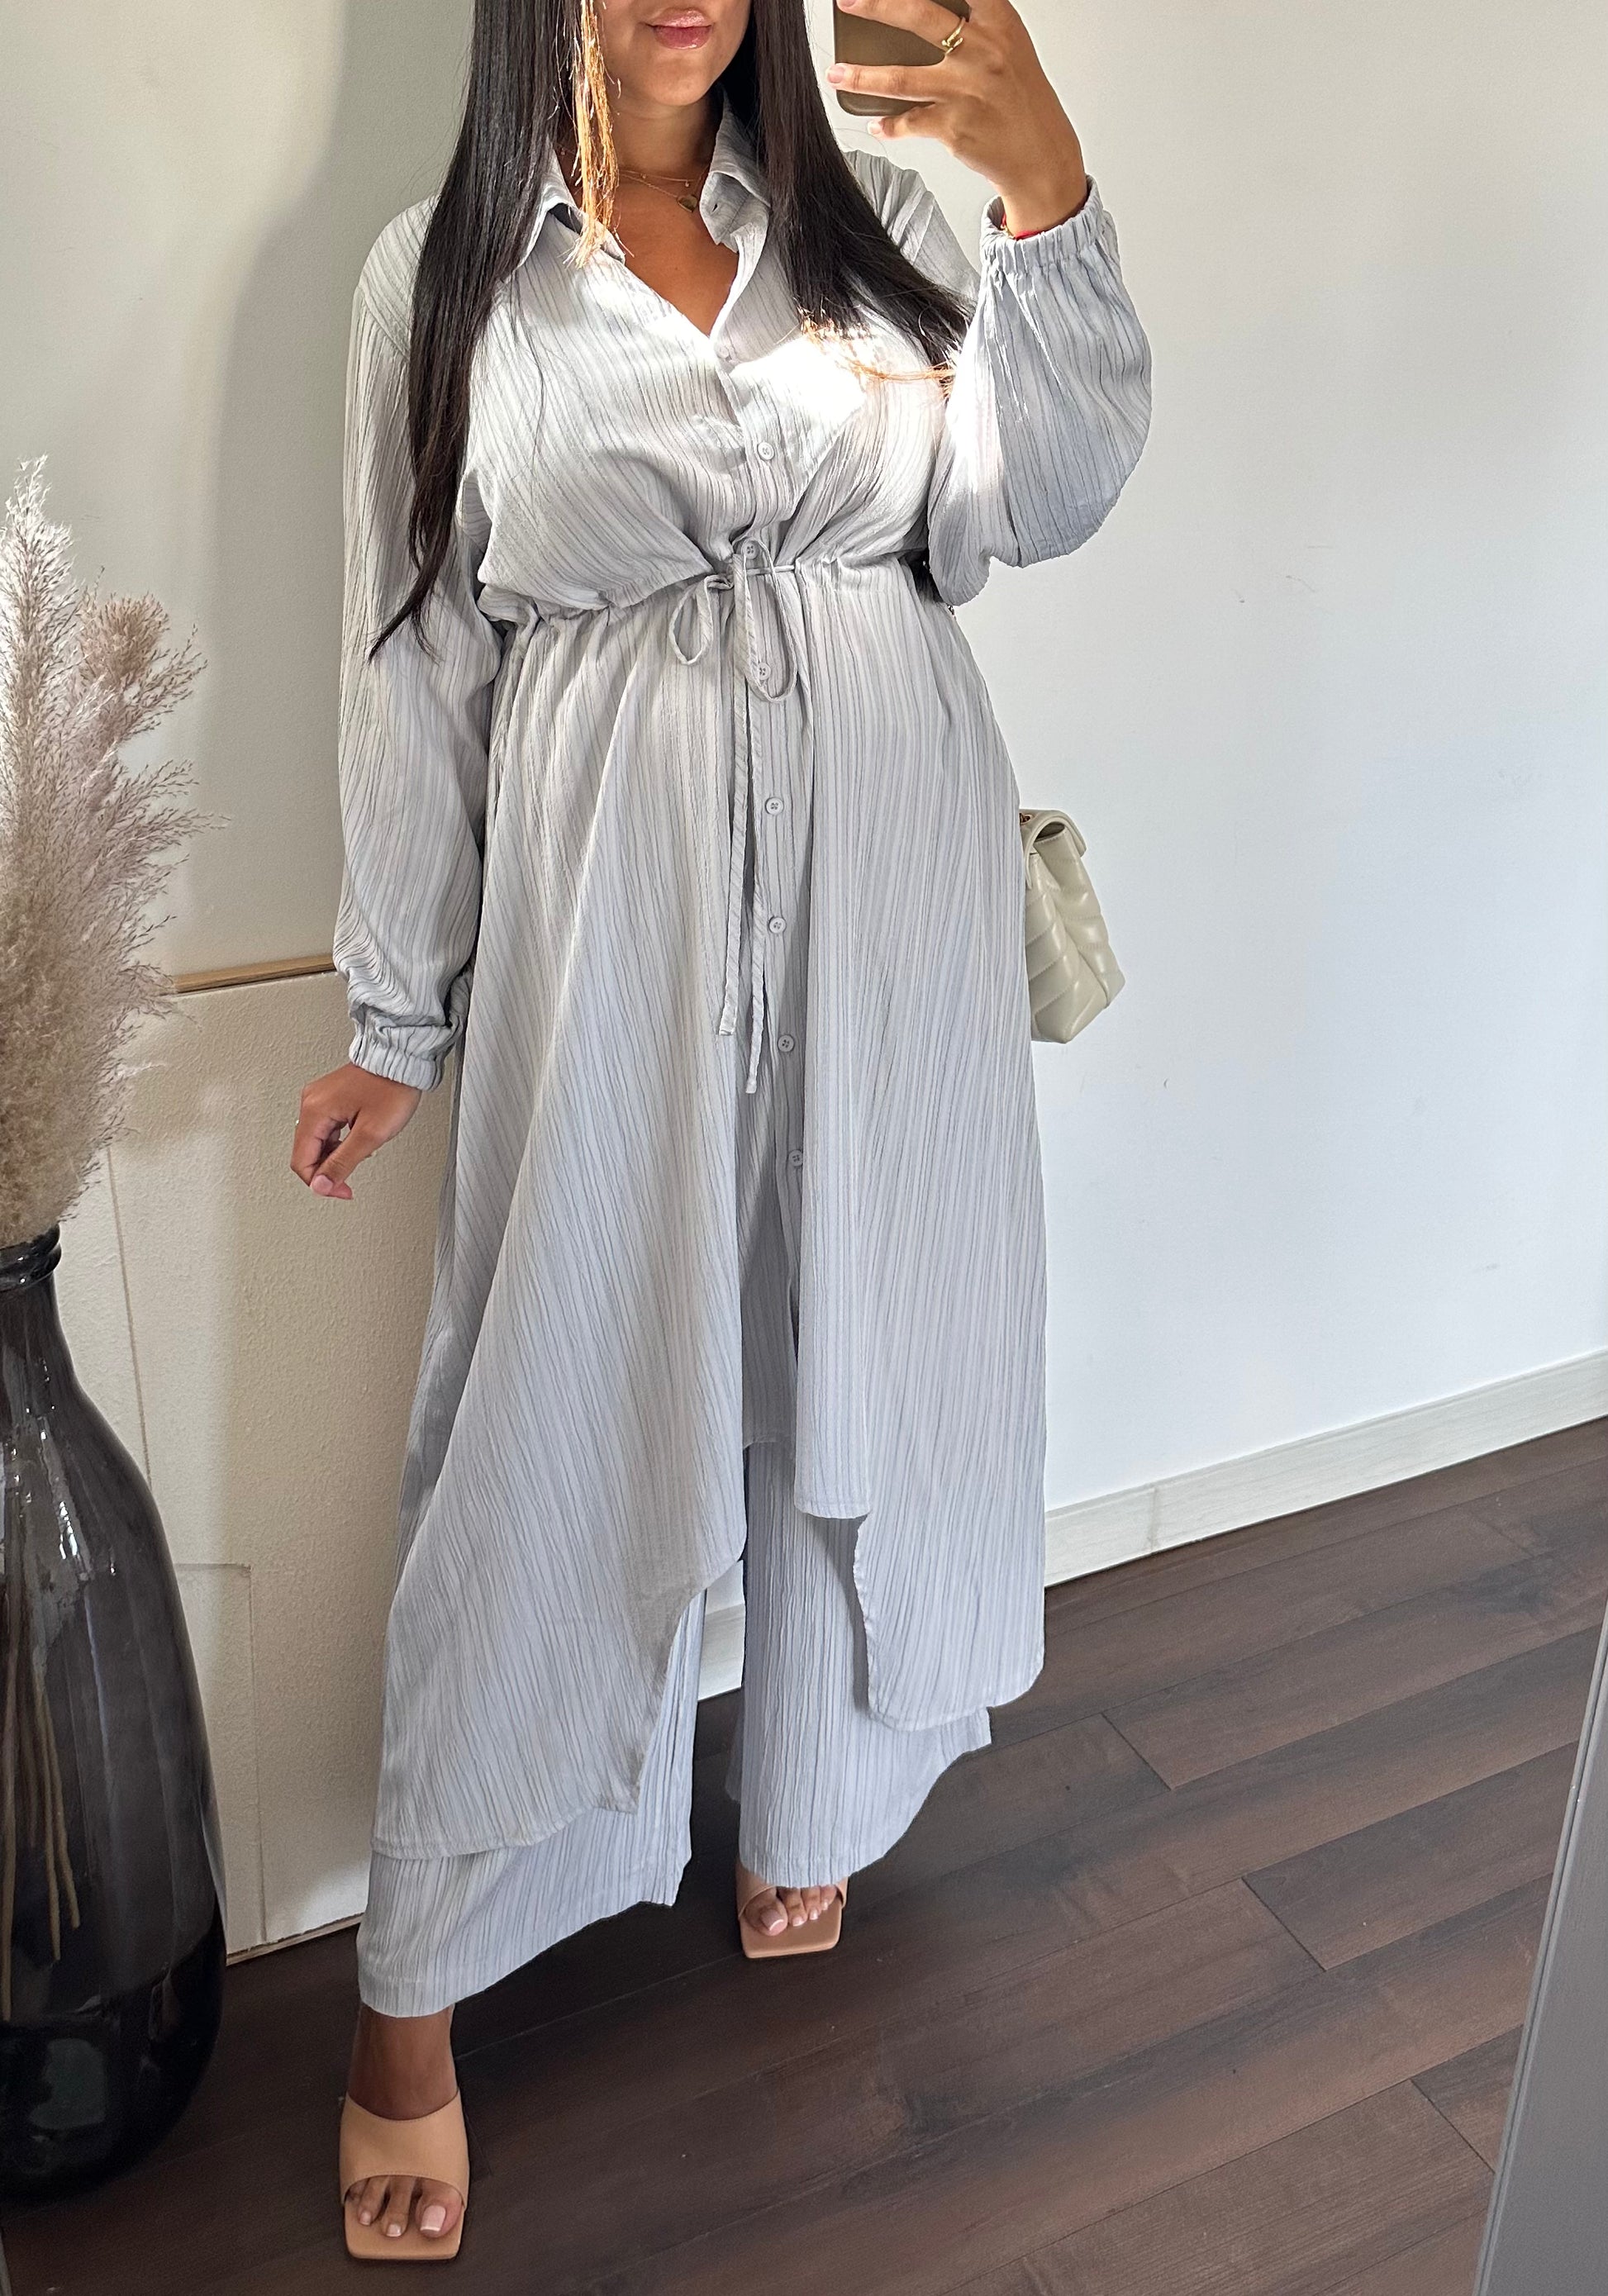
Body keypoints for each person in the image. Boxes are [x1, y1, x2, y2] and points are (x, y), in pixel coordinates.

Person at [292, 0, 1149, 2260]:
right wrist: (396, 1011)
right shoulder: (445, 282)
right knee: (549, 1402)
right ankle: (411, 1993)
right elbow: (408, 655)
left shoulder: (881, 233)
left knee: (864, 1339)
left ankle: (813, 1791)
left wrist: (1047, 189)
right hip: (616, 903)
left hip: (891, 887)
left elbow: (1041, 496)